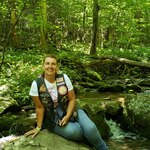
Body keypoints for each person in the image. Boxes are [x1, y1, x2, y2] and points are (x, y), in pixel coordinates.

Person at [24, 54, 109, 150]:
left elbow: (72, 99)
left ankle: (103, 148)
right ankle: (89, 142)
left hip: (71, 110)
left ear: (57, 66)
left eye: (53, 64)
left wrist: (68, 116)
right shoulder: (36, 84)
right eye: (47, 63)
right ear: (43, 66)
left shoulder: (64, 78)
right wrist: (38, 127)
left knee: (91, 128)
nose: (50, 66)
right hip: (53, 118)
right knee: (76, 132)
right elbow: (39, 107)